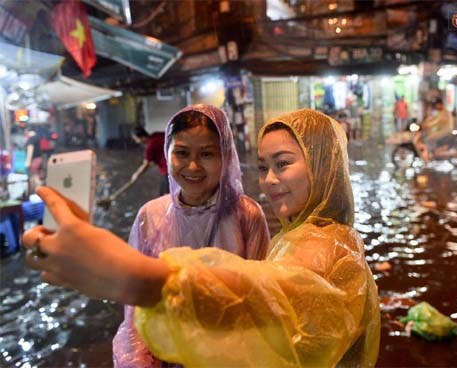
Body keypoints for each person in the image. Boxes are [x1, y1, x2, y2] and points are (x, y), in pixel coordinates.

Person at [23, 109, 381, 367]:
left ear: (323, 166)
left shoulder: (319, 242)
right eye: (263, 167)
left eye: (283, 164)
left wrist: (134, 278)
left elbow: (266, 298)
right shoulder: (305, 234)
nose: (269, 180)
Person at [113, 104, 271, 367]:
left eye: (207, 154)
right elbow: (135, 305)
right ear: (167, 153)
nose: (193, 166)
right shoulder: (149, 216)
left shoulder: (247, 215)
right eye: (182, 153)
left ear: (226, 157)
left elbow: (261, 299)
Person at [111, 126, 169, 198]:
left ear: (141, 137)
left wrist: (136, 174)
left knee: (165, 196)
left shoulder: (150, 146)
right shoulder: (157, 135)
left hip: (168, 171)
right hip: (174, 167)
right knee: (163, 194)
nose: (136, 141)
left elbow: (146, 164)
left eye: (136, 139)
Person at [416, 97, 454, 161]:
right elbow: (434, 119)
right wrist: (425, 123)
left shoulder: (445, 112)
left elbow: (437, 122)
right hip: (440, 130)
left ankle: (431, 154)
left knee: (428, 139)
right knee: (428, 136)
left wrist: (427, 125)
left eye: (437, 105)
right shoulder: (441, 112)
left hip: (445, 131)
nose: (436, 106)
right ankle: (433, 152)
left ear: (440, 104)